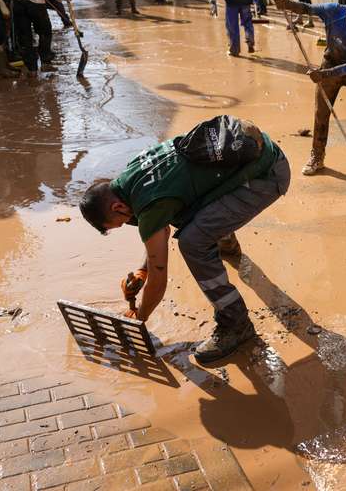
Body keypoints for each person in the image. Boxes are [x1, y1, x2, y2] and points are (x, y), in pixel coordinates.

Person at [78, 117, 290, 365]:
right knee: (186, 215)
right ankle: (226, 244)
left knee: (193, 242)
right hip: (258, 155)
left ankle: (236, 323)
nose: (124, 224)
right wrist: (143, 270)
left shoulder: (148, 204)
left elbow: (158, 282)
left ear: (117, 206)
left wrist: (138, 318)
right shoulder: (131, 175)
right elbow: (161, 225)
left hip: (265, 176)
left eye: (119, 223)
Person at [272, 0, 346, 177]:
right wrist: (288, 4)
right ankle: (317, 156)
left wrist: (322, 74)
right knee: (321, 113)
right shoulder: (333, 11)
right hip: (331, 62)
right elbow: (307, 8)